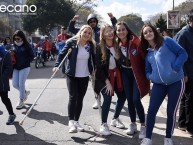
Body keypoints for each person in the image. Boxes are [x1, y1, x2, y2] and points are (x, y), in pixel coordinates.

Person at [140, 24, 187, 145]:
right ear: (143, 37)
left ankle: (168, 138)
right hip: (158, 85)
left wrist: (175, 68)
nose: (148, 33)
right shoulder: (149, 53)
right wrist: (152, 77)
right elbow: (147, 71)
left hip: (176, 82)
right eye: (145, 33)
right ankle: (148, 138)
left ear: (154, 32)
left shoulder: (166, 41)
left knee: (171, 111)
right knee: (151, 111)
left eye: (150, 31)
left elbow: (183, 53)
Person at [108, 13, 150, 139]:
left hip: (136, 73)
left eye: (123, 29)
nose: (121, 32)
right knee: (129, 100)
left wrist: (148, 75)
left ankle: (143, 125)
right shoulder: (116, 43)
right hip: (125, 73)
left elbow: (144, 58)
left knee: (136, 99)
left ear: (127, 30)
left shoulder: (135, 41)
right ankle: (133, 124)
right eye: (118, 30)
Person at [53, 25, 96, 133]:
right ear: (80, 32)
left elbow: (93, 59)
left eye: (89, 33)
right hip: (72, 74)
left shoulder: (90, 45)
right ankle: (71, 122)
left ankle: (77, 121)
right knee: (73, 97)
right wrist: (57, 65)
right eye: (85, 32)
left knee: (80, 99)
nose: (87, 34)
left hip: (84, 76)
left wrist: (94, 70)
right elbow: (62, 54)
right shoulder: (71, 43)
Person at [94, 24, 126, 136]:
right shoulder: (99, 47)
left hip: (117, 75)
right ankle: (103, 124)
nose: (110, 33)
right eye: (107, 31)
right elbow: (98, 68)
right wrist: (107, 82)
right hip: (103, 78)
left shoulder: (117, 45)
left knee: (122, 96)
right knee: (107, 97)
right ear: (102, 35)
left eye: (111, 30)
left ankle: (115, 118)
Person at [68, 13, 101, 109]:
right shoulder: (85, 31)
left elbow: (111, 32)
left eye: (94, 21)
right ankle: (97, 99)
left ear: (96, 22)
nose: (93, 23)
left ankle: (100, 98)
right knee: (93, 80)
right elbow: (71, 29)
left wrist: (112, 19)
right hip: (87, 58)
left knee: (98, 79)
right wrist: (73, 20)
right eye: (91, 21)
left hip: (97, 57)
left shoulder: (99, 31)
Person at [173, 10, 193, 135]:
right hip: (187, 71)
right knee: (190, 99)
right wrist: (184, 73)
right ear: (191, 20)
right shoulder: (183, 34)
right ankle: (190, 126)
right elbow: (179, 55)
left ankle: (182, 123)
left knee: (187, 98)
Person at [12, 30, 34, 109]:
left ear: (22, 38)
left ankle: (21, 100)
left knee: (21, 84)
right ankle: (25, 92)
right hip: (15, 67)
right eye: (15, 38)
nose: (16, 40)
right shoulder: (13, 45)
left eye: (18, 38)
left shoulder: (27, 46)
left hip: (25, 67)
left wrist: (25, 61)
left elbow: (32, 56)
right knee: (14, 84)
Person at [0, 45, 16, 125]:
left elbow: (9, 67)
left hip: (2, 81)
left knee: (4, 99)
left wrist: (3, 78)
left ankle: (11, 115)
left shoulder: (5, 53)